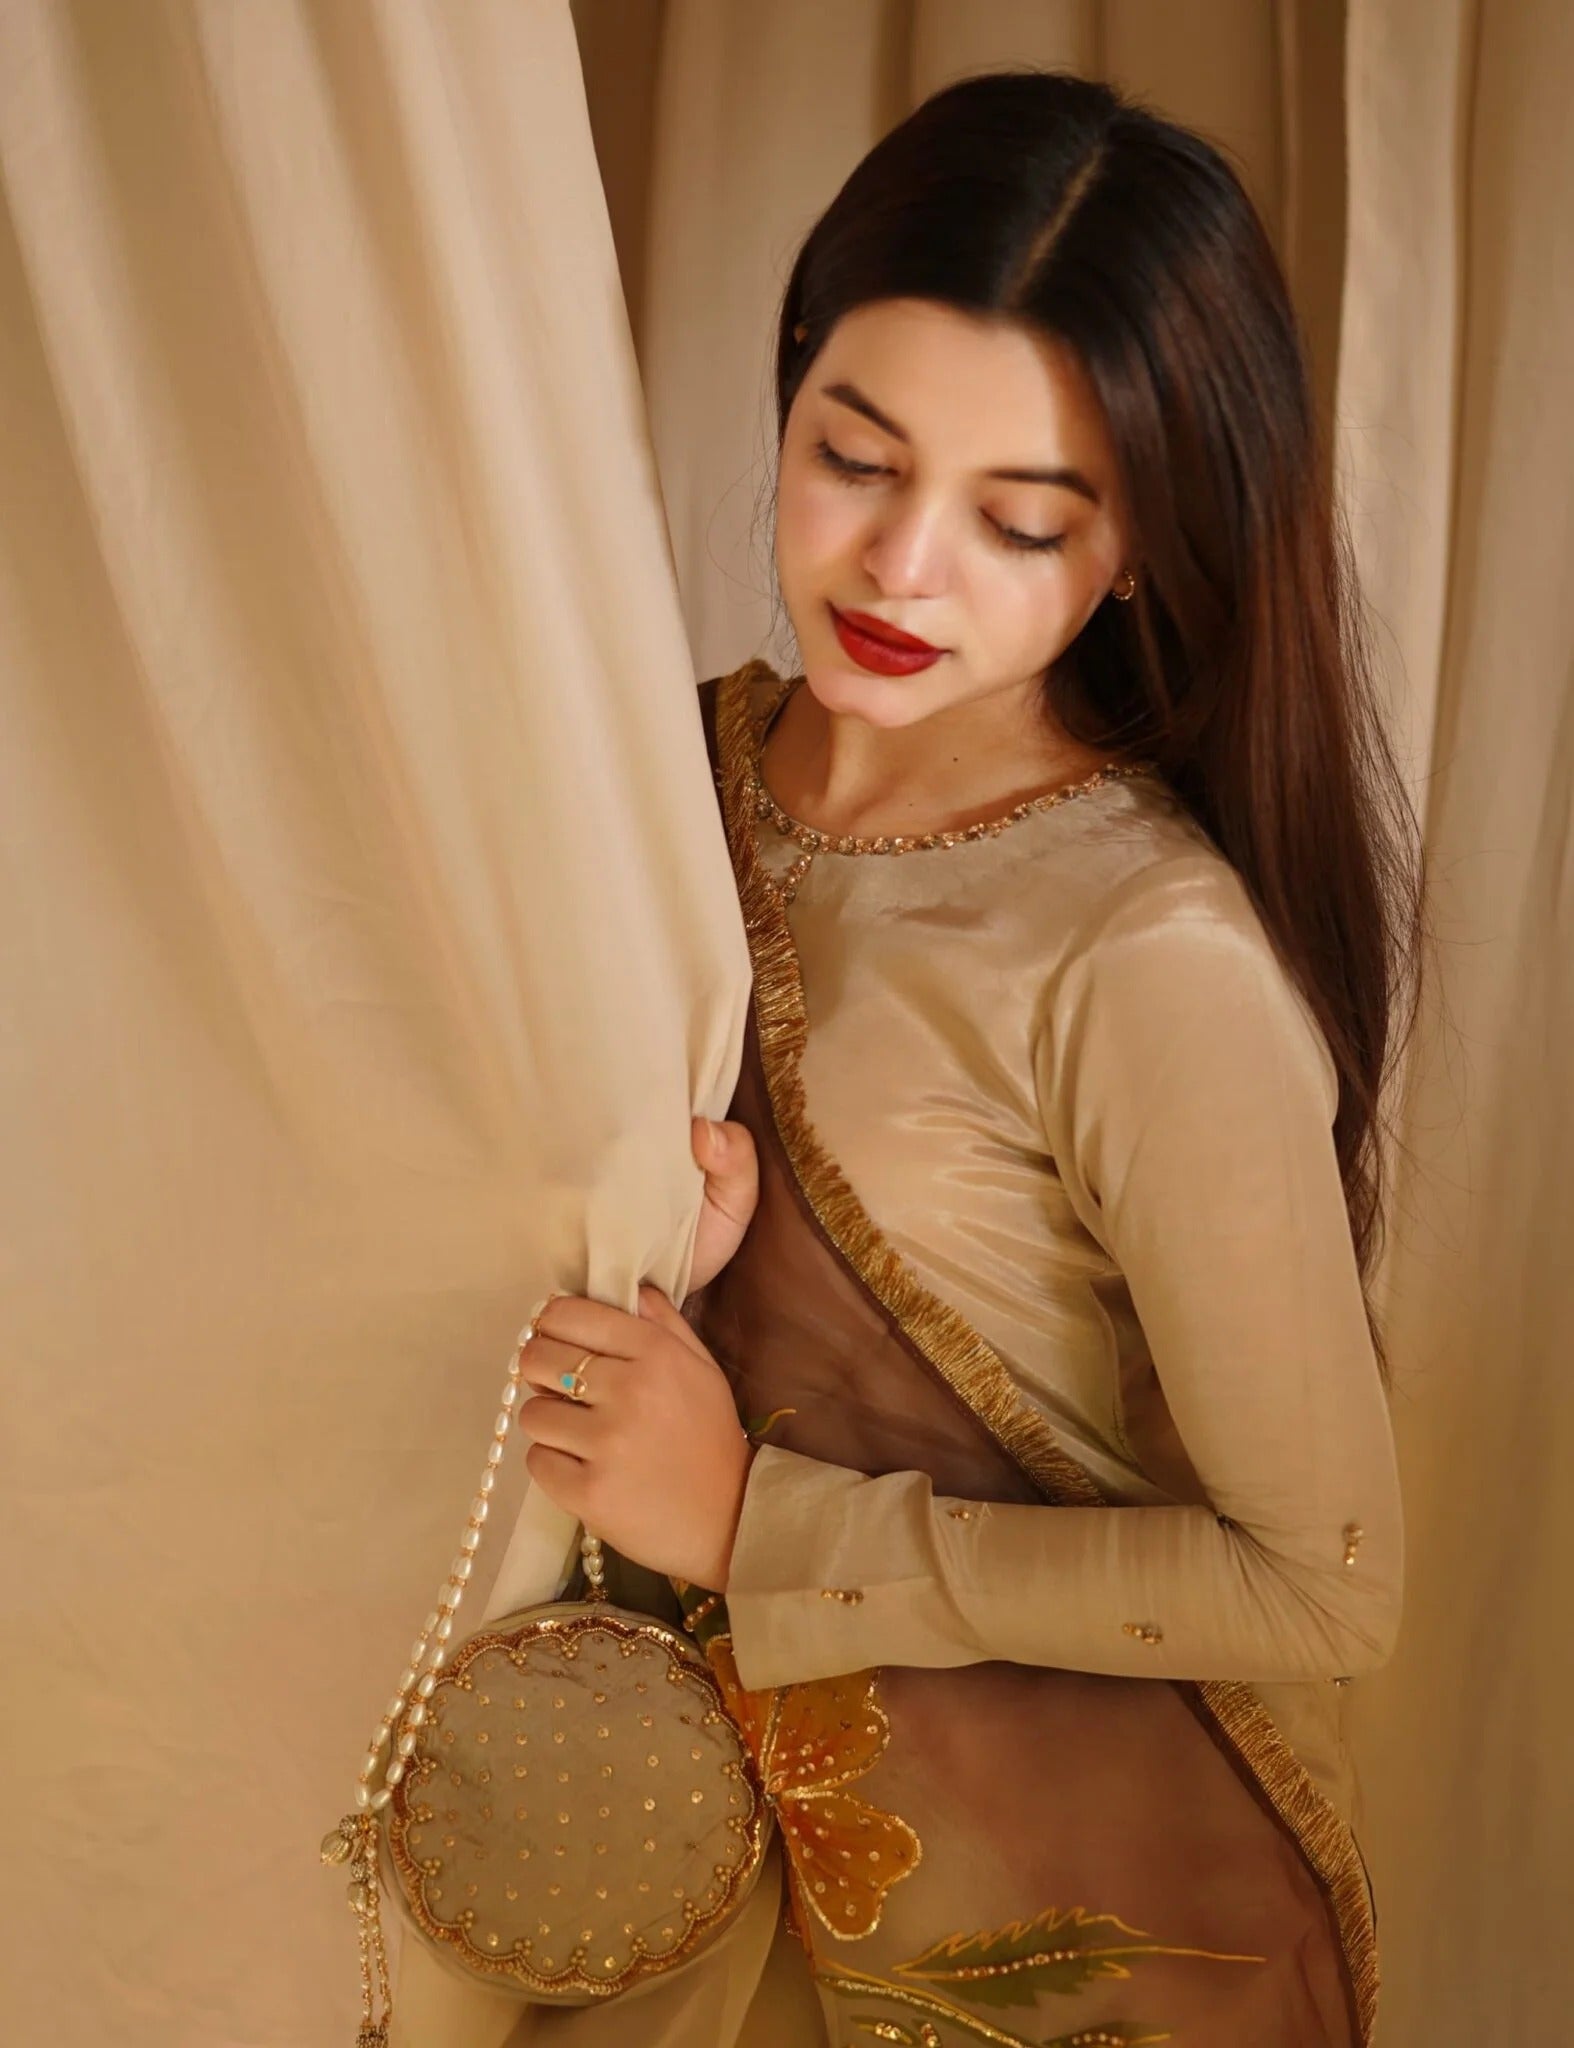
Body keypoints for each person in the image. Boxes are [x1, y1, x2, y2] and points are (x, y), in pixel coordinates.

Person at [450, 67, 1423, 2048]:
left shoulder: (1143, 955)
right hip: (643, 1863)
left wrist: (758, 1520)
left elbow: (1323, 1586)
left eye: (1019, 520)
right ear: (788, 388)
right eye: (855, 458)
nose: (902, 568)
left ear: (1136, 546)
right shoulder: (639, 783)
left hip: (1082, 1927)